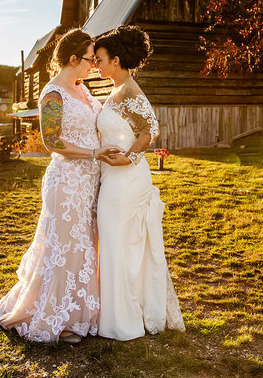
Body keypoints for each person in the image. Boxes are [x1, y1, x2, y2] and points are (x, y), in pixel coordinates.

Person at [0, 28, 120, 343]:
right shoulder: (53, 94)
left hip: (90, 180)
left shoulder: (85, 90)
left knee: (87, 246)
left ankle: (81, 311)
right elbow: (52, 142)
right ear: (74, 58)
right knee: (66, 248)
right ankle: (57, 318)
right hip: (66, 182)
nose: (94, 65)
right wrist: (94, 153)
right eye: (91, 59)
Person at [94, 25, 185, 341]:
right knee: (117, 243)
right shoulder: (117, 92)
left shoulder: (130, 91)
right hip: (114, 178)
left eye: (101, 59)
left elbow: (150, 130)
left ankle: (126, 318)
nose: (97, 64)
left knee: (122, 243)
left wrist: (128, 159)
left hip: (126, 180)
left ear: (116, 60)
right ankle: (119, 313)